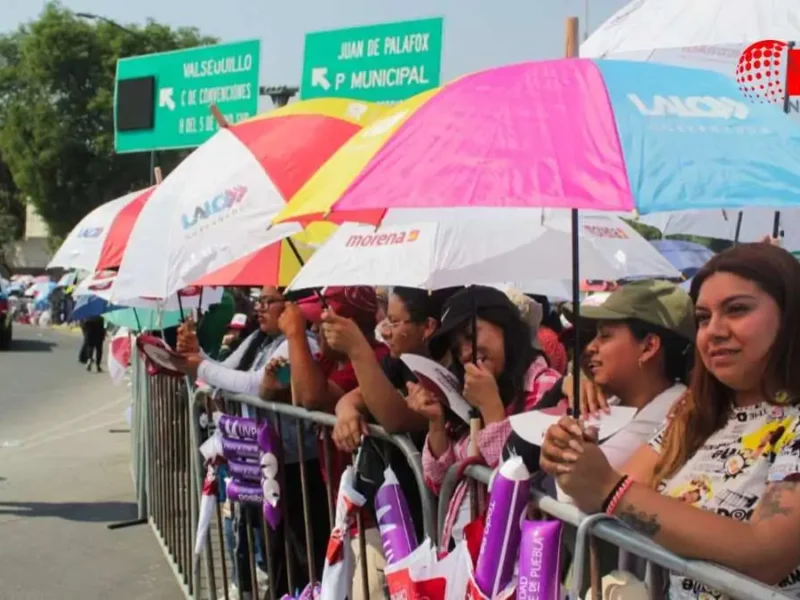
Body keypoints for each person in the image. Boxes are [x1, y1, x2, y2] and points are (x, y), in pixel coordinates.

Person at [541, 243, 800, 599]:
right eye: (704, 318)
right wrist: (573, 460)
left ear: (790, 316)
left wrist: (606, 488)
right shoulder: (692, 413)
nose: (715, 331)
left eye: (737, 310)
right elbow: (617, 494)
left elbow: (767, 555)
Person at [174, 285, 322, 600]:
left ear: (292, 307)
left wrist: (198, 365)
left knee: (301, 551)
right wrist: (196, 351)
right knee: (271, 546)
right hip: (260, 460)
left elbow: (253, 385)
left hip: (295, 463)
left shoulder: (302, 344)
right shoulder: (257, 338)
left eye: (269, 301)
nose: (259, 308)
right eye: (259, 300)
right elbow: (225, 371)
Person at [409, 286, 560, 547]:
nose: (466, 352)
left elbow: (520, 480)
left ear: (505, 326)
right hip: (465, 554)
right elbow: (439, 483)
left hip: (517, 558)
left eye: (471, 336)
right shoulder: (474, 394)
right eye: (457, 349)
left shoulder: (546, 387)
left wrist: (492, 411)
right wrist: (436, 423)